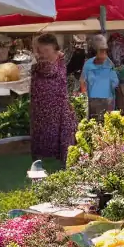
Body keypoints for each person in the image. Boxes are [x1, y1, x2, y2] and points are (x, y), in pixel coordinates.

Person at [29, 34, 77, 164]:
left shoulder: (55, 63)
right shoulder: (49, 62)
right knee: (43, 142)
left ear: (55, 49)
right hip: (41, 111)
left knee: (57, 141)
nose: (42, 54)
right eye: (40, 51)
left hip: (57, 109)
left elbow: (49, 71)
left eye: (46, 50)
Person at [80, 36, 120, 119]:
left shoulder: (109, 64)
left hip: (108, 101)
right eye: (101, 51)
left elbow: (115, 82)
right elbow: (82, 82)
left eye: (105, 51)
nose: (104, 53)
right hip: (93, 102)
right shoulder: (88, 64)